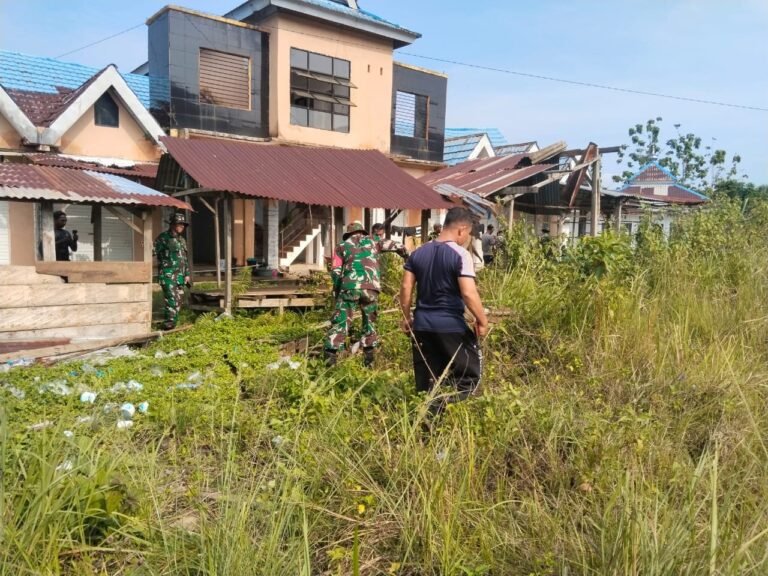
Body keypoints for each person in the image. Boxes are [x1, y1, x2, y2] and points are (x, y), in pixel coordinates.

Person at [399, 207, 489, 418]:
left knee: (428, 381)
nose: (466, 239)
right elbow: (468, 293)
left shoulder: (418, 253)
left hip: (421, 326)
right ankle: (442, 407)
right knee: (469, 379)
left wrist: (406, 317)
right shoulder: (460, 255)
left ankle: (427, 425)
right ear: (462, 229)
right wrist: (482, 320)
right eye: (467, 234)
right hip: (451, 328)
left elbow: (405, 288)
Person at [324, 221, 383, 368]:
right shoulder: (374, 241)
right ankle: (369, 365)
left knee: (341, 323)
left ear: (348, 234)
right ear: (363, 232)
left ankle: (330, 366)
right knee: (369, 324)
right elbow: (396, 246)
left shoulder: (341, 246)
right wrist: (407, 256)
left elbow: (336, 271)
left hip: (349, 287)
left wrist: (338, 290)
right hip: (371, 288)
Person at [154, 212, 191, 330]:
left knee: (179, 300)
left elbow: (185, 259)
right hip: (168, 275)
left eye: (183, 224)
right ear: (172, 224)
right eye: (179, 224)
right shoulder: (163, 238)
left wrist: (187, 274)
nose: (182, 226)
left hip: (180, 276)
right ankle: (169, 325)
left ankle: (173, 323)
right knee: (171, 299)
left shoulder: (182, 240)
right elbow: (152, 251)